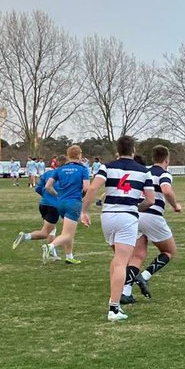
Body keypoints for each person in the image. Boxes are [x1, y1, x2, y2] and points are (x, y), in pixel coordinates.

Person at [81, 135, 155, 321]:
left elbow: (92, 189)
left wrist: (84, 211)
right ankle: (114, 308)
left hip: (108, 217)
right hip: (126, 217)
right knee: (123, 261)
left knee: (116, 259)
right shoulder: (143, 171)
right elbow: (151, 200)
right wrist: (135, 208)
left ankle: (113, 298)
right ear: (134, 150)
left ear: (118, 150)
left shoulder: (107, 167)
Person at [120, 145, 182, 303]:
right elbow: (166, 190)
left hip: (136, 215)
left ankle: (126, 292)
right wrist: (175, 206)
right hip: (152, 215)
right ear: (166, 160)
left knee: (138, 255)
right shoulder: (164, 174)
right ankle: (145, 276)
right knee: (169, 251)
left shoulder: (144, 173)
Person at [44, 145, 91, 264]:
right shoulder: (83, 169)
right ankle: (50, 246)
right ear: (79, 155)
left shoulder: (60, 169)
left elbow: (48, 186)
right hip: (73, 202)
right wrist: (83, 196)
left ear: (68, 155)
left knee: (68, 231)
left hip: (61, 203)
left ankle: (69, 256)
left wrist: (57, 195)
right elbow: (86, 187)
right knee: (68, 234)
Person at [12, 165, 61, 258]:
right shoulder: (64, 175)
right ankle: (25, 236)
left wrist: (45, 196)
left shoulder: (48, 173)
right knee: (45, 233)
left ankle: (52, 253)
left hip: (43, 204)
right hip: (53, 206)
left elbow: (38, 188)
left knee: (52, 229)